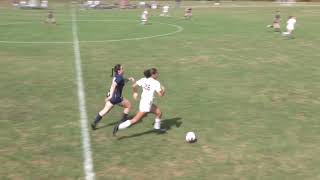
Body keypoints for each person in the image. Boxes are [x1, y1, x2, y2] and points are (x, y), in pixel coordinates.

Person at [113, 68, 166, 135]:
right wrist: (163, 90)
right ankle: (118, 127)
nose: (158, 74)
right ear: (153, 74)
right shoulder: (156, 82)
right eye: (157, 73)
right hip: (146, 104)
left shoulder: (144, 79)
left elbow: (134, 85)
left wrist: (135, 93)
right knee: (135, 120)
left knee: (159, 112)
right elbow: (160, 95)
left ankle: (157, 128)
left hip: (144, 102)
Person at [91, 64, 135, 130]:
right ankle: (123, 122)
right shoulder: (119, 77)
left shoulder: (117, 76)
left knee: (105, 110)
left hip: (111, 96)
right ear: (119, 71)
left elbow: (122, 81)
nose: (123, 69)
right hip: (115, 97)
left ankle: (94, 123)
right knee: (128, 105)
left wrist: (129, 79)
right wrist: (111, 96)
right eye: (122, 68)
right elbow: (113, 85)